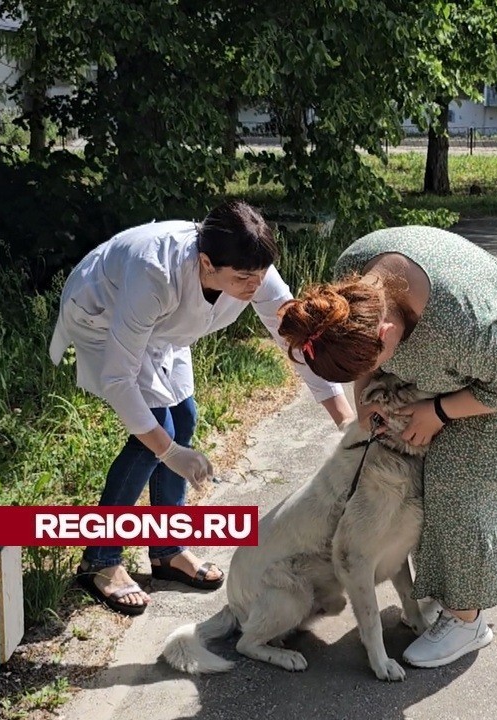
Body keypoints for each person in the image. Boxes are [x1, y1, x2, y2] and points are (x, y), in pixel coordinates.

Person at [277, 225, 497, 668]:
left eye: (376, 362)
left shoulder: (455, 327)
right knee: (422, 478)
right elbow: (362, 365)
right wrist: (364, 403)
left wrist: (440, 412)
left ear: (387, 331)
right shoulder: (351, 293)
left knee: (460, 486)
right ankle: (442, 590)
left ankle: (467, 621)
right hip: (463, 362)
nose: (376, 371)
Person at [49, 200, 355, 615]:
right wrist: (169, 452)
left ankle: (166, 550)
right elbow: (117, 379)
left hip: (162, 329)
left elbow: (294, 341)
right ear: (207, 263)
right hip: (104, 317)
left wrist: (344, 418)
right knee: (153, 436)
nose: (255, 286)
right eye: (244, 278)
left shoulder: (252, 267)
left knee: (184, 417)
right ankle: (99, 561)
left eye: (261, 276)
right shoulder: (154, 273)